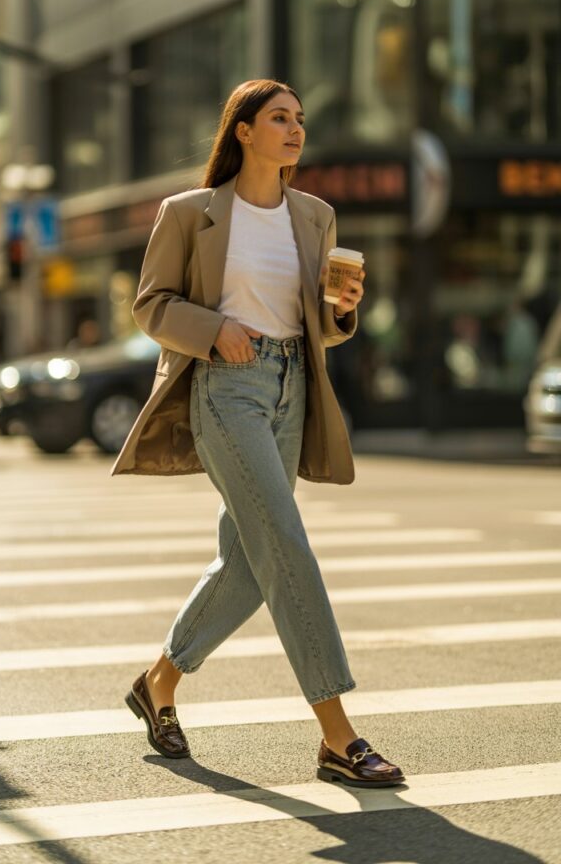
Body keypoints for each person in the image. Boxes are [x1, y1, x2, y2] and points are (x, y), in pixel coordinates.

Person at [112, 79, 404, 789]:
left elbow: (322, 327)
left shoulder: (315, 217)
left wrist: (343, 309)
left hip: (291, 386)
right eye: (279, 118)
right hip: (225, 388)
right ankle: (338, 736)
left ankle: (157, 685)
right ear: (243, 131)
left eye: (300, 118)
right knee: (283, 541)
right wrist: (215, 332)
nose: (295, 129)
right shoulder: (190, 213)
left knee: (248, 563)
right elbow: (150, 304)